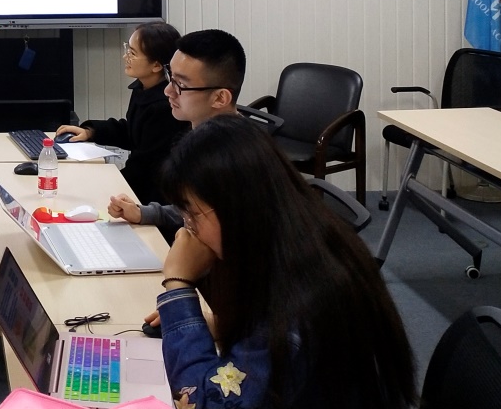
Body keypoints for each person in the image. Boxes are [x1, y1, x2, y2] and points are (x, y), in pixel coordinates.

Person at [154, 114, 415, 409]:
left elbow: (202, 403)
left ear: (235, 207)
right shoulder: (307, 240)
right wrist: (220, 326)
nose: (188, 229)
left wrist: (178, 283)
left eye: (192, 214)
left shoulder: (294, 309)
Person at [106, 28, 245, 230]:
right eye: (170, 77)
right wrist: (143, 213)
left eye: (181, 84)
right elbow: (190, 210)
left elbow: (209, 221)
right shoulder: (199, 137)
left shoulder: (234, 158)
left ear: (220, 98)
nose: (167, 90)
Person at [54, 21, 183, 205]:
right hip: (139, 188)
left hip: (154, 199)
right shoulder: (143, 88)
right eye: (127, 49)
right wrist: (91, 131)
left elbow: (144, 167)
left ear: (156, 65)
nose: (125, 56)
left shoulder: (164, 106)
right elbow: (131, 131)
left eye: (132, 53)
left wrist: (103, 186)